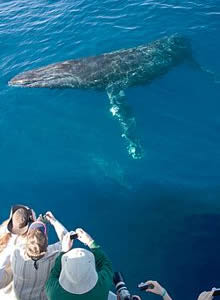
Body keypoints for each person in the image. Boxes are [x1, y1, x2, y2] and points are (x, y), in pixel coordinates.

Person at [0, 211, 70, 300]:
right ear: (46, 239)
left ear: (27, 241)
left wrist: (36, 223)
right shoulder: (55, 255)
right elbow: (67, 238)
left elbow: (19, 244)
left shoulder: (16, 254)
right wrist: (53, 221)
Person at [46, 228, 113, 300]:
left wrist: (64, 251)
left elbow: (54, 273)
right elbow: (106, 263)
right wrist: (90, 242)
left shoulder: (53, 292)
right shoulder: (103, 285)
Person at [0, 205, 36, 294]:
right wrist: (36, 222)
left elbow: (23, 210)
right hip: (5, 278)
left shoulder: (3, 228)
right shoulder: (25, 242)